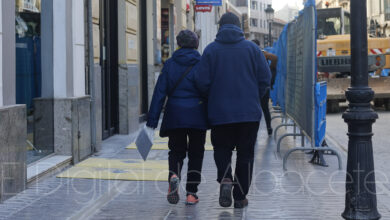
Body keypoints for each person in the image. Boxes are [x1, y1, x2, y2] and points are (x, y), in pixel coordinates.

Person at [195, 13, 271, 209]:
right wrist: (254, 96)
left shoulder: (211, 50)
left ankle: (226, 178)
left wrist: (212, 98)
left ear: (220, 27)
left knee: (221, 149)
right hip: (248, 114)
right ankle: (239, 197)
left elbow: (201, 82)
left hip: (219, 113)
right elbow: (265, 78)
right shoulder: (253, 49)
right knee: (245, 154)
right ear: (239, 27)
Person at [146, 30, 208, 205]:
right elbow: (207, 89)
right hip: (197, 115)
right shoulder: (202, 63)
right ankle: (191, 193)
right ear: (196, 44)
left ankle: (174, 175)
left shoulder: (170, 64)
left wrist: (152, 121)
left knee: (176, 151)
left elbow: (159, 93)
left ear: (179, 44)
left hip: (175, 115)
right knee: (196, 154)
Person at [252, 39, 278, 135]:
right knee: (265, 108)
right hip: (263, 86)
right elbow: (275, 58)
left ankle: (258, 129)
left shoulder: (260, 53)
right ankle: (269, 128)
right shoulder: (261, 53)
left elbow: (274, 58)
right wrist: (271, 69)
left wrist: (271, 69)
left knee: (257, 109)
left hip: (255, 86)